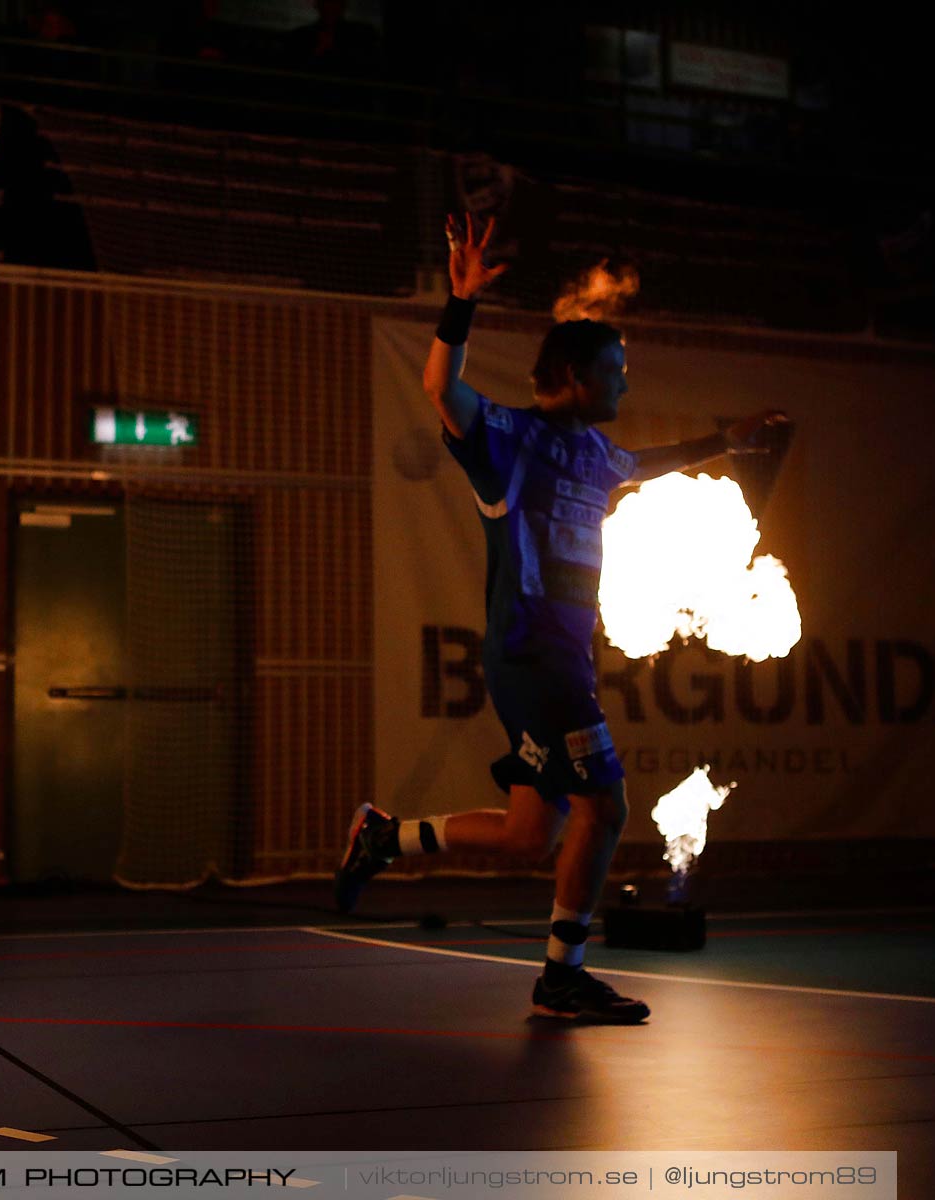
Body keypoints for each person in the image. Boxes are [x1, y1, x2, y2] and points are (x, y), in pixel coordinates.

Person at [335, 214, 786, 1023]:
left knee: (527, 837)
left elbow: (646, 462)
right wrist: (460, 301)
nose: (624, 384)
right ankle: (561, 977)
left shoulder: (596, 453)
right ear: (574, 374)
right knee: (606, 809)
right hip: (533, 657)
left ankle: (385, 839)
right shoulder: (511, 438)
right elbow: (441, 387)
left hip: (557, 662)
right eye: (614, 370)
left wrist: (728, 441)